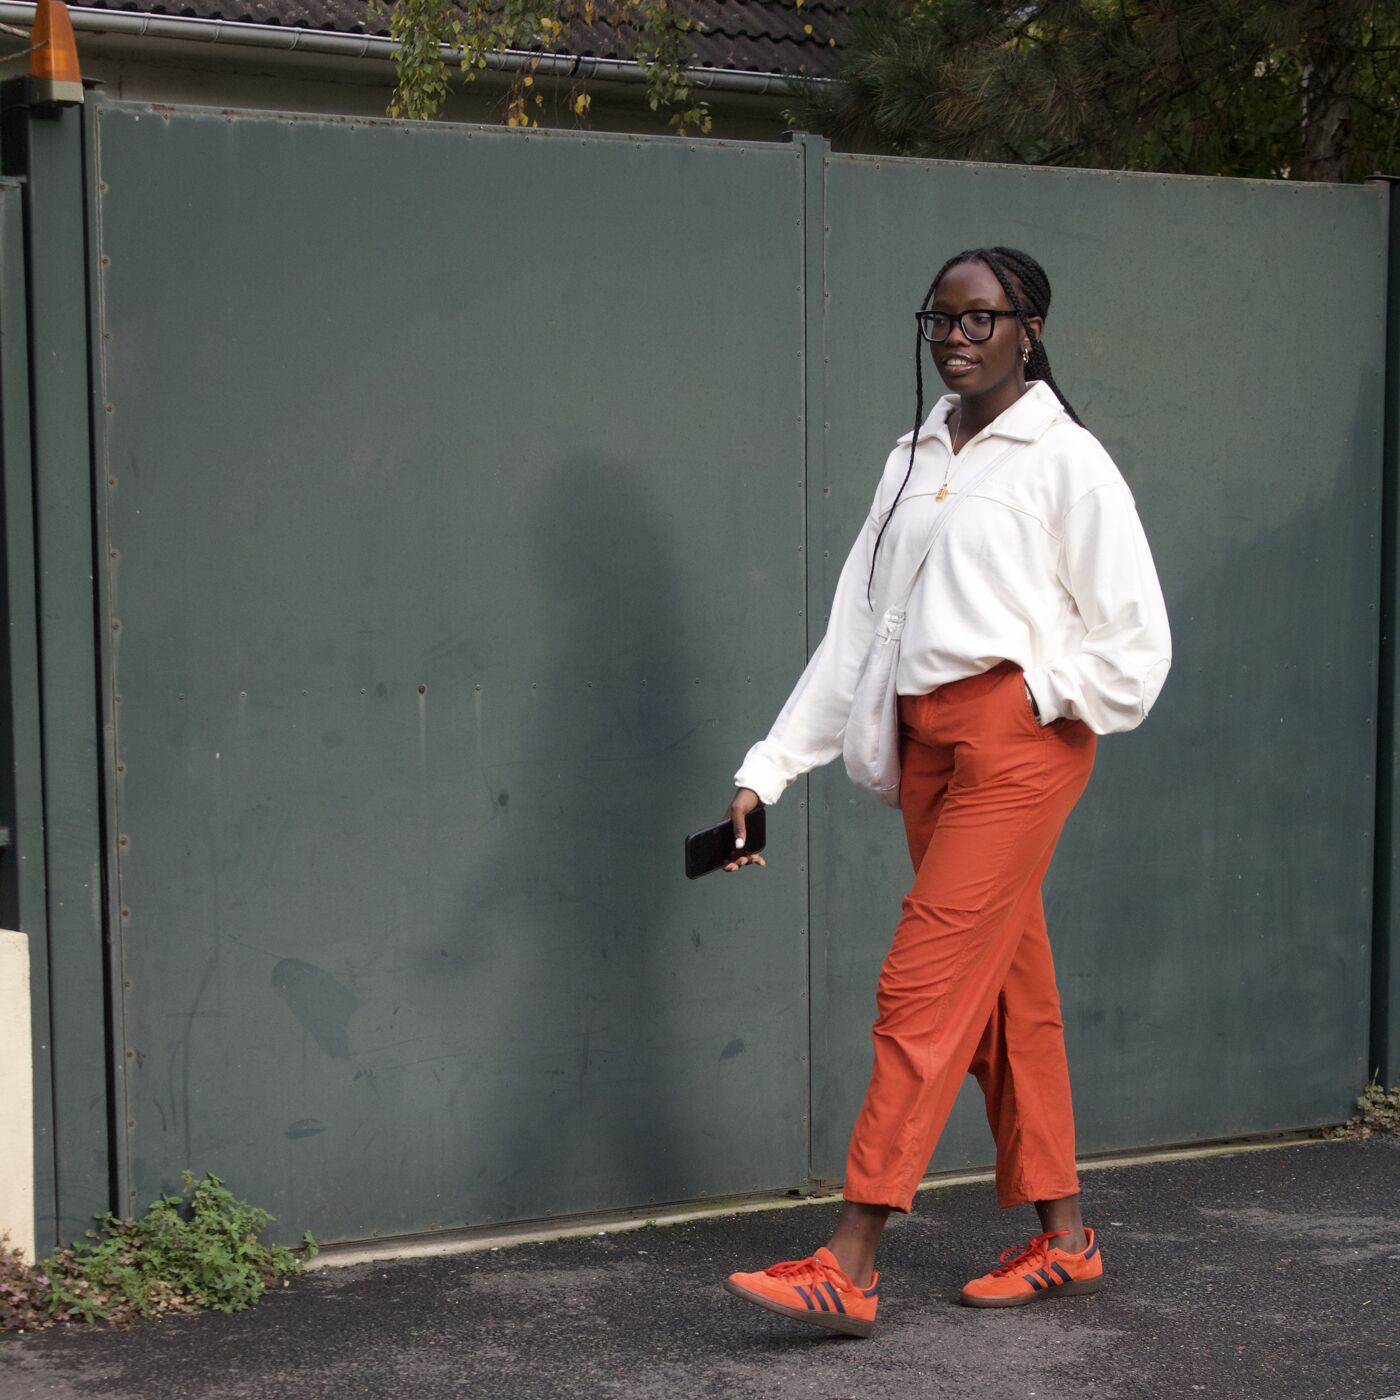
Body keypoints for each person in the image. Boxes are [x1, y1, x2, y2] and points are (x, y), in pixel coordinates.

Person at [718, 247, 1171, 1340]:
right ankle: (1063, 1237)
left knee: (921, 985)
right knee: (1010, 996)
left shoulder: (1066, 460)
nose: (957, 335)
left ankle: (851, 1254)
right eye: (941, 318)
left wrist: (1037, 693)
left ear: (1029, 327)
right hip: (924, 745)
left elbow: (1137, 642)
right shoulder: (912, 456)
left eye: (982, 317)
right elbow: (857, 629)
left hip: (1016, 742)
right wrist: (765, 766)